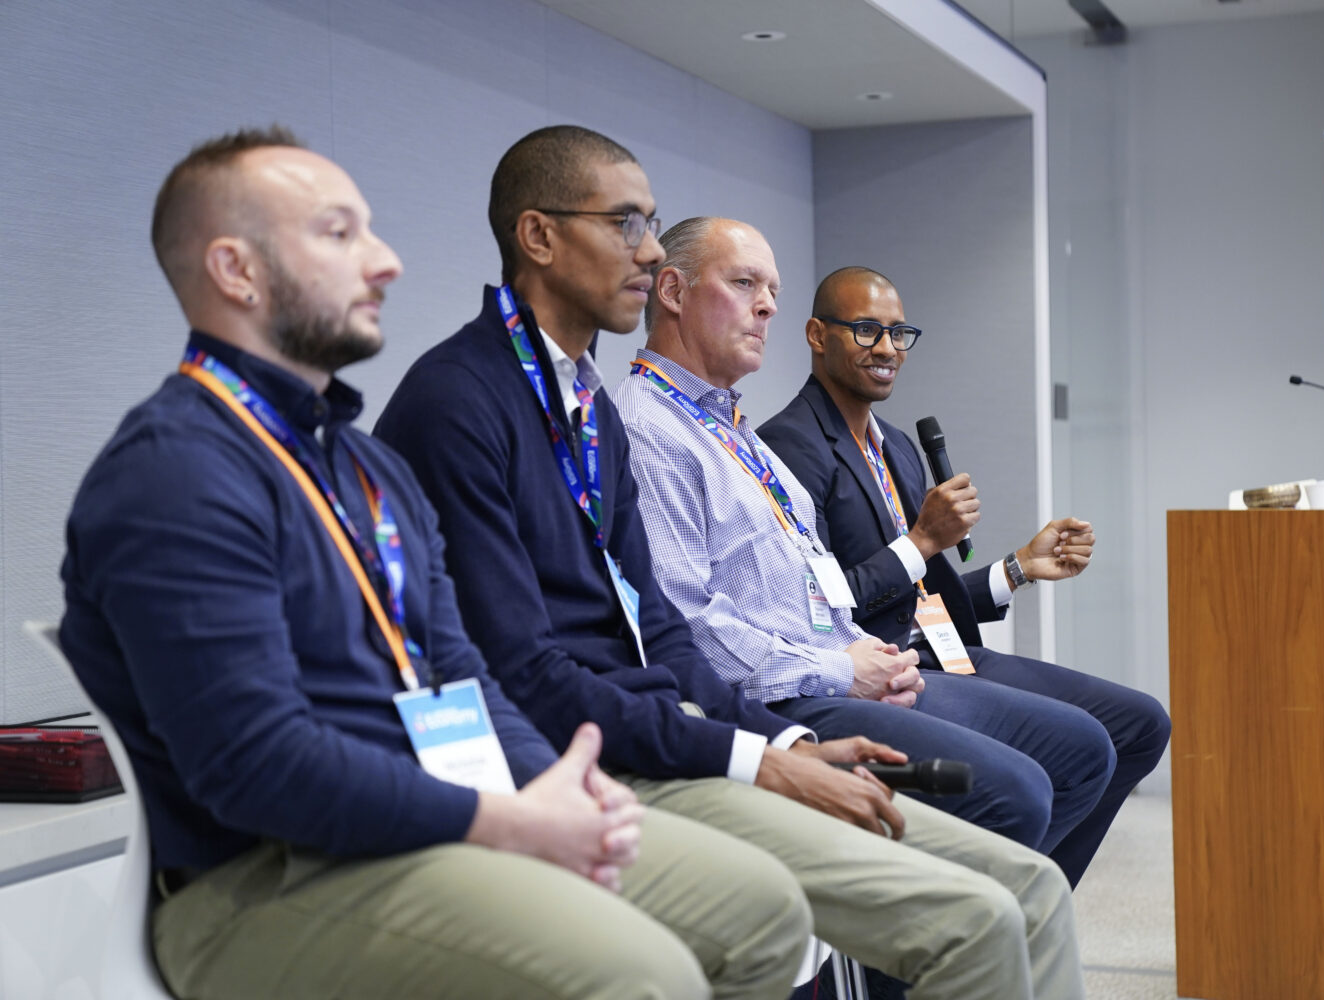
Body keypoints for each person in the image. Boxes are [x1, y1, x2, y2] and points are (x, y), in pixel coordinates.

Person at [58, 126, 815, 1000]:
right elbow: (257, 765)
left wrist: (551, 789)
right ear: (236, 270)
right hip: (268, 877)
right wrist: (501, 817)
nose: (385, 261)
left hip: (432, 822)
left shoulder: (364, 467)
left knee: (761, 911)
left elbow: (464, 677)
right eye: (339, 233)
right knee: (643, 975)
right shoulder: (175, 471)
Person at [375, 125, 1084, 1000]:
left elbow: (658, 627)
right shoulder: (465, 402)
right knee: (947, 905)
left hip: (688, 718)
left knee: (1032, 891)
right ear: (539, 236)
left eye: (651, 224)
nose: (647, 251)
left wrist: (776, 741)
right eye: (626, 224)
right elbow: (528, 668)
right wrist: (755, 751)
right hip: (599, 752)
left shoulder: (588, 408)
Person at [613, 216, 1113, 866]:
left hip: (861, 661)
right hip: (786, 696)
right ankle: (952, 922)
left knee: (1086, 748)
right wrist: (847, 668)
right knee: (1017, 791)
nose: (766, 306)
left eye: (772, 290)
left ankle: (990, 912)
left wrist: (867, 651)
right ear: (674, 291)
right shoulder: (652, 430)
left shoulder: (740, 430)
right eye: (744, 283)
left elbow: (816, 586)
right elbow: (687, 624)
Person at [757, 265, 1171, 886]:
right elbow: (821, 608)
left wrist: (1018, 568)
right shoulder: (787, 447)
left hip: (942, 650)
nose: (887, 348)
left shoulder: (896, 445)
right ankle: (1000, 908)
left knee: (1141, 724)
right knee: (1079, 748)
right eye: (867, 330)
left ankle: (1021, 904)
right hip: (878, 669)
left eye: (899, 333)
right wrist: (923, 539)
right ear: (818, 335)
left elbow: (922, 594)